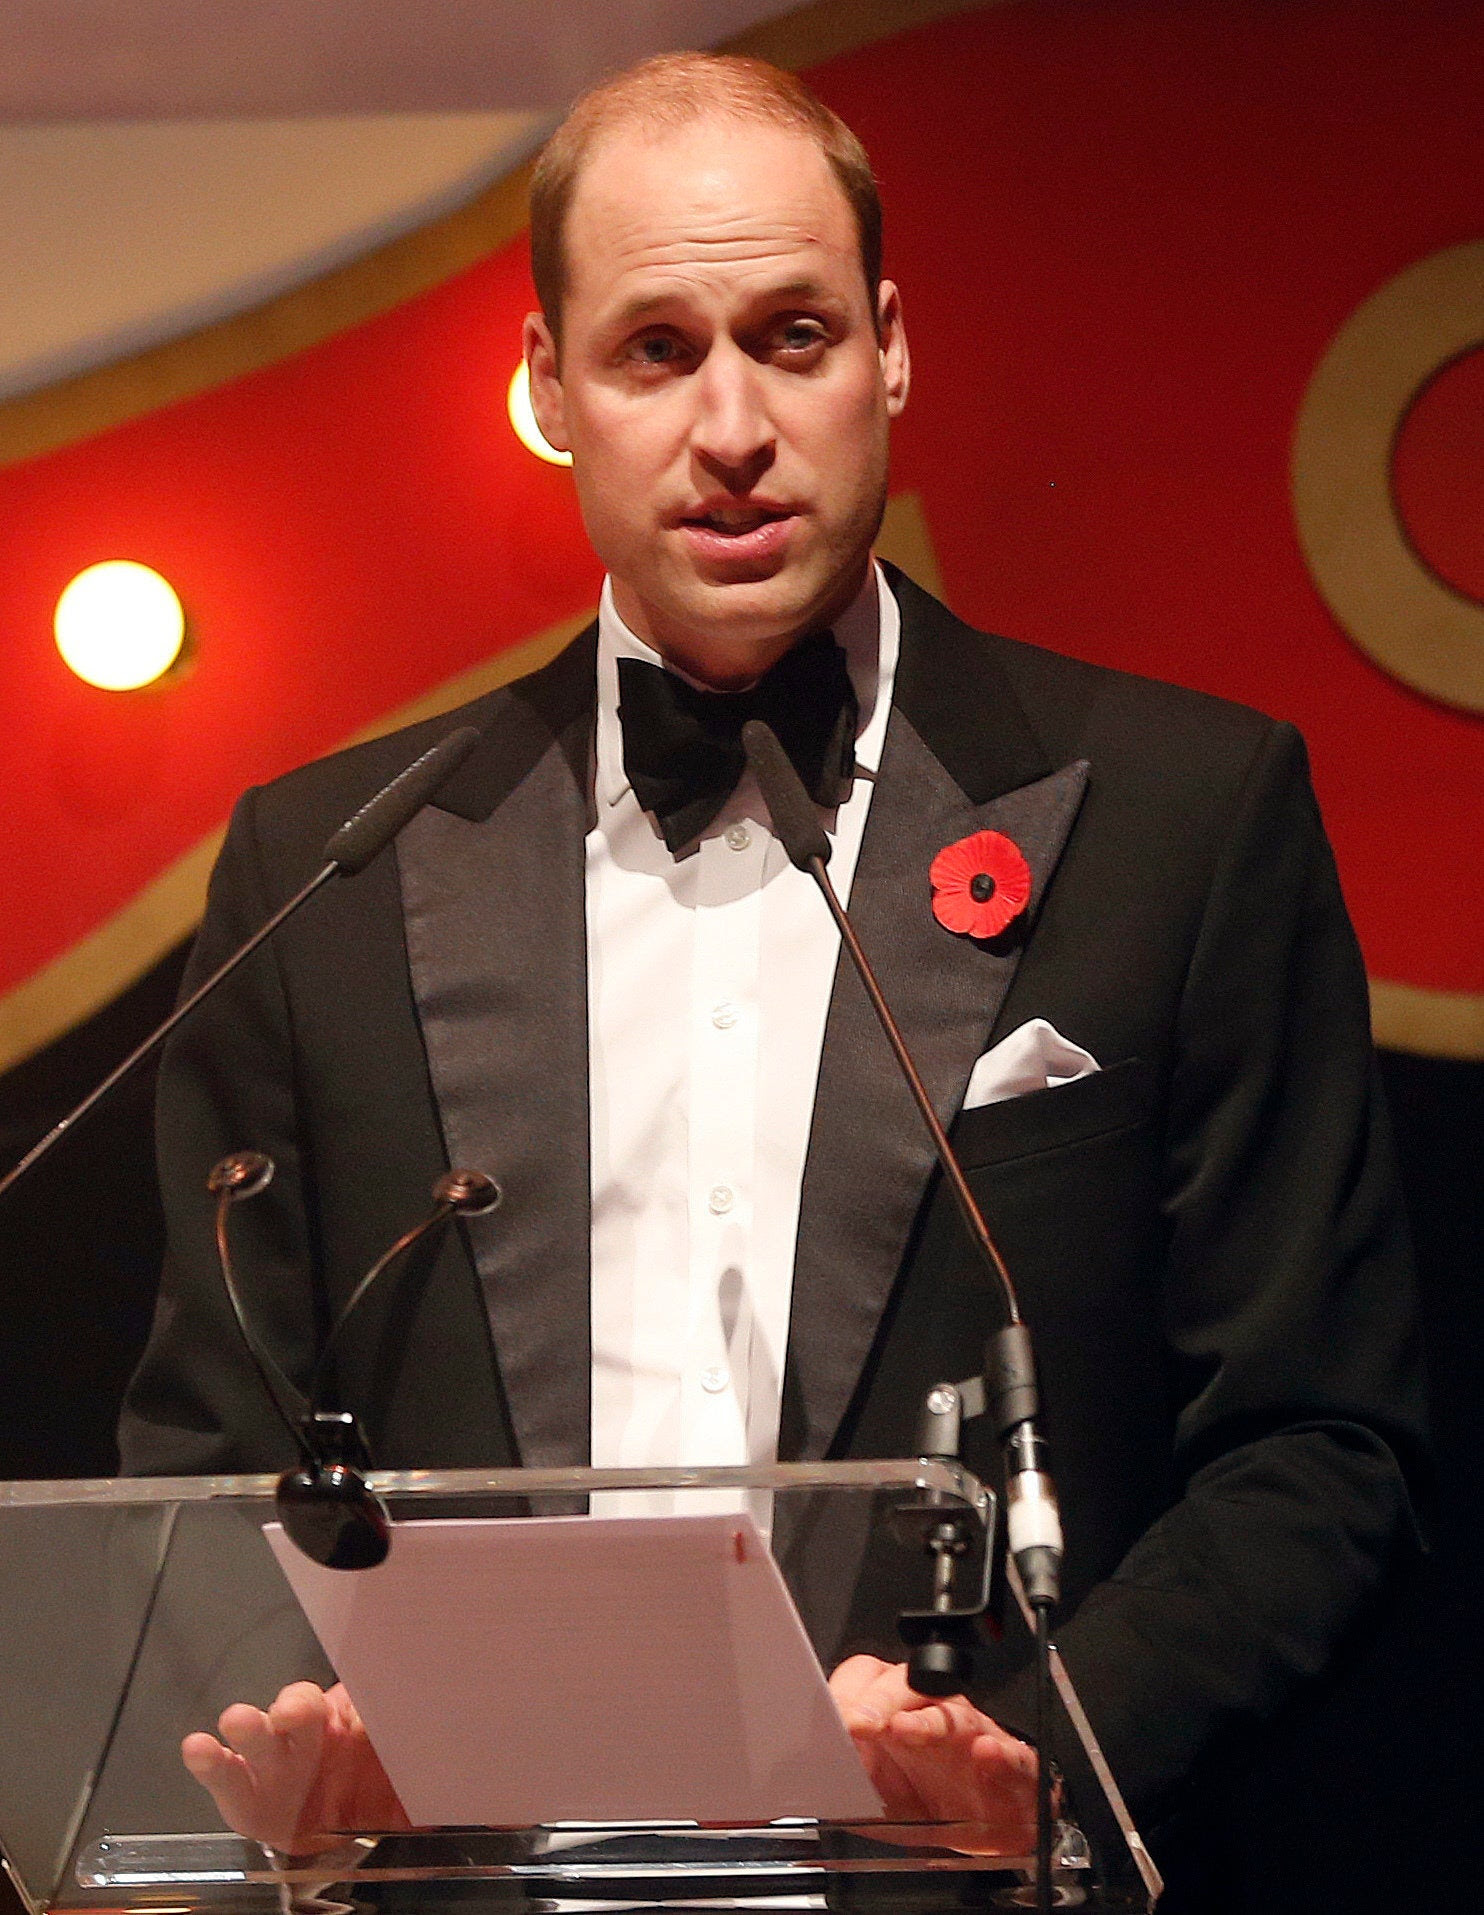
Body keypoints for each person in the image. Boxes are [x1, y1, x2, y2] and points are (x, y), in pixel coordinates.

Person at [119, 51, 1425, 1879]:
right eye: (655, 349)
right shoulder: (322, 873)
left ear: (889, 348)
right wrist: (307, 1749)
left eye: (792, 336)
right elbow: (208, 1459)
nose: (731, 423)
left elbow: (1320, 1438)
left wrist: (1031, 1762)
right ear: (546, 385)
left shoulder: (1183, 821)